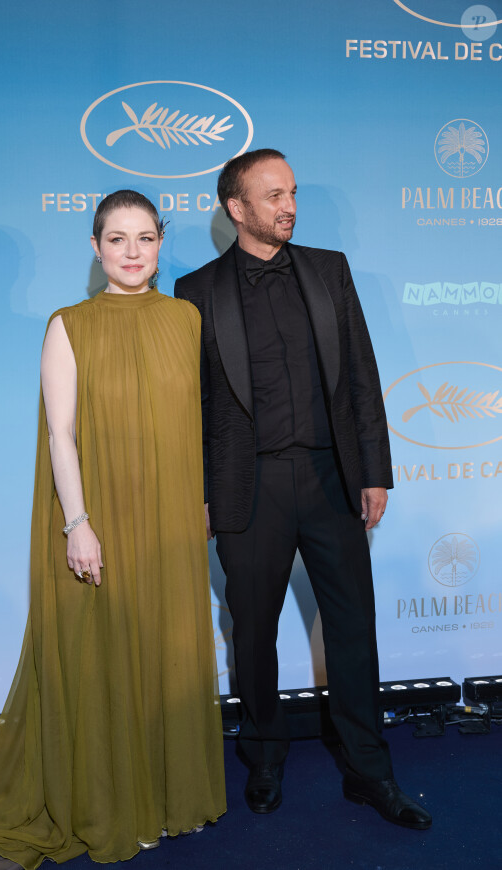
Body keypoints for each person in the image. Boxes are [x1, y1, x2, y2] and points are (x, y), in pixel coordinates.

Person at [0, 190, 226, 870]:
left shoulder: (185, 319)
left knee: (166, 654)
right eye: (116, 239)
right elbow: (61, 433)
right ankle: (111, 803)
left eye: (144, 238)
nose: (131, 252)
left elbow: (201, 424)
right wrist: (77, 524)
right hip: (101, 515)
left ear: (159, 243)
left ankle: (168, 800)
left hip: (171, 518)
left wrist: (203, 501)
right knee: (106, 654)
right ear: (95, 248)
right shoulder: (68, 324)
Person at [174, 150, 431, 830]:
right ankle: (262, 757)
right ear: (237, 209)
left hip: (329, 477)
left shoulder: (328, 270)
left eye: (292, 192)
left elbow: (361, 377)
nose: (289, 204)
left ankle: (370, 771)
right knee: (252, 634)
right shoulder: (194, 290)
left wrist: (374, 468)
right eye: (273, 194)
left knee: (352, 629)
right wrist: (198, 491)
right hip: (245, 487)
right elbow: (192, 407)